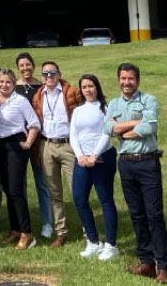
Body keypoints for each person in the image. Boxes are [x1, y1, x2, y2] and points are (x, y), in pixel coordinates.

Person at [104, 63, 167, 283]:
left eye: (130, 79)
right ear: (119, 80)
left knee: (154, 215)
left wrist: (124, 129)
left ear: (137, 81)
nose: (126, 82)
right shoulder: (113, 104)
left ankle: (163, 266)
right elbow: (108, 129)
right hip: (126, 164)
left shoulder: (149, 100)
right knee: (137, 214)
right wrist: (135, 123)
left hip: (147, 163)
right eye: (123, 78)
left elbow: (149, 127)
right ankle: (146, 262)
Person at [32, 61, 81, 248]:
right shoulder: (38, 96)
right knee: (54, 193)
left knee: (77, 190)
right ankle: (61, 233)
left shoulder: (72, 92)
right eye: (45, 74)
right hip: (47, 145)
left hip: (68, 145)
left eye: (52, 73)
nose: (49, 77)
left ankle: (88, 231)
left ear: (59, 74)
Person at [71, 74, 119, 261]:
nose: (88, 90)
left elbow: (107, 134)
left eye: (91, 86)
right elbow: (73, 135)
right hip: (82, 160)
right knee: (79, 198)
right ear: (81, 90)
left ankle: (111, 245)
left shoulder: (105, 109)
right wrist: (80, 156)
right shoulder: (77, 111)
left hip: (102, 159)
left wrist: (94, 155)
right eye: (84, 87)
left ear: (97, 87)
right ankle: (93, 241)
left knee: (105, 199)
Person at [0, 69, 41, 250]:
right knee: (7, 189)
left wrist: (28, 143)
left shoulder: (20, 101)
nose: (4, 85)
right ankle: (15, 229)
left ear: (14, 84)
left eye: (8, 82)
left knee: (15, 190)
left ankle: (27, 233)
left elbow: (34, 123)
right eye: (1, 82)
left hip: (16, 145)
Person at [14, 52, 53, 239]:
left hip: (39, 141)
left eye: (28, 64)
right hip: (19, 142)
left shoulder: (42, 87)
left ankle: (48, 223)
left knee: (42, 184)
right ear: (18, 68)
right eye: (21, 65)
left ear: (33, 65)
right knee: (19, 185)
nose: (25, 68)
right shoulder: (13, 88)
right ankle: (23, 224)